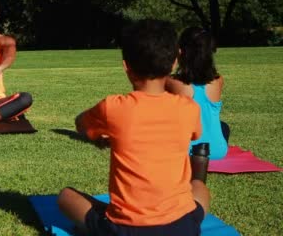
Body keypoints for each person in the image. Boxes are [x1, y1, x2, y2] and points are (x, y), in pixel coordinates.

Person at [58, 20, 210, 235]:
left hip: (126, 229)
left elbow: (81, 123)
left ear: (126, 66)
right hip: (182, 227)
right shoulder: (189, 108)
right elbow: (194, 133)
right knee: (200, 188)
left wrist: (98, 136)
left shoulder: (113, 107)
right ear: (175, 61)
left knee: (66, 196)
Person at [166, 26, 229, 160]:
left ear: (180, 52)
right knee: (223, 126)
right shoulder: (218, 81)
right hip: (217, 151)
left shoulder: (171, 82)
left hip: (185, 150)